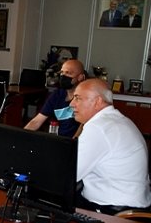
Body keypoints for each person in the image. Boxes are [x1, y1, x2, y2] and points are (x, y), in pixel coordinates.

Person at [69, 79, 151, 214]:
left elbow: (69, 174)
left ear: (97, 101)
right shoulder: (118, 120)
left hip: (113, 211)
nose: (72, 104)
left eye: (78, 98)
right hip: (135, 205)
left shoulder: (99, 128)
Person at [24, 59, 85, 137]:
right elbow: (37, 121)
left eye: (68, 73)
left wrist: (73, 142)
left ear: (80, 77)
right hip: (60, 139)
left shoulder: (86, 97)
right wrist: (22, 136)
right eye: (62, 72)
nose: (63, 76)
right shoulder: (57, 95)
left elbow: (83, 126)